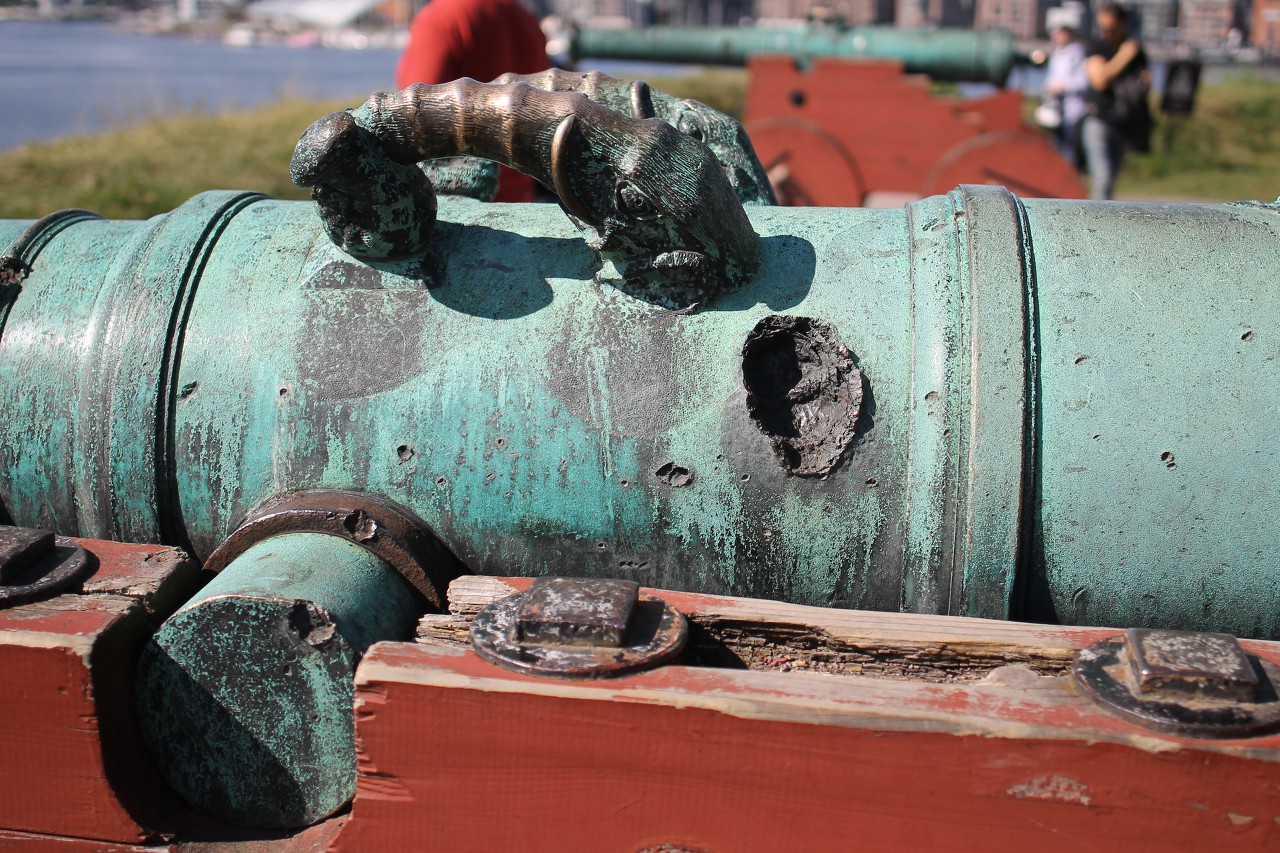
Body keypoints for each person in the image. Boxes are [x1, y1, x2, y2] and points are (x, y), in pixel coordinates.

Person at [396, 0, 550, 201]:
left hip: (459, 205)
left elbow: (414, 116)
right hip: (522, 203)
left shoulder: (440, 19)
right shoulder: (527, 21)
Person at [1082, 4, 1151, 200]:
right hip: (1099, 119)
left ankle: (1104, 217)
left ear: (1123, 25)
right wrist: (1124, 55)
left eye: (1111, 28)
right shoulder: (1096, 46)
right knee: (1102, 177)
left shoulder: (1137, 50)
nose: (1106, 33)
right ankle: (1096, 223)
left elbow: (1145, 82)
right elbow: (1099, 80)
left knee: (1111, 177)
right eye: (1103, 28)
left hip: (1123, 120)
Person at [1040, 11, 1089, 161]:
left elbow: (1084, 82)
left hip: (1073, 111)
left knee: (1068, 150)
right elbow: (1051, 77)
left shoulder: (1078, 53)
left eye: (1059, 32)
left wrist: (1062, 86)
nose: (1055, 35)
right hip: (1056, 109)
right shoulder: (1057, 53)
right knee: (1056, 148)